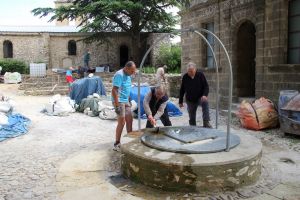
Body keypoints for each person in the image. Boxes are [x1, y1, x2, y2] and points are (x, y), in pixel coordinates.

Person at [111, 61, 136, 151]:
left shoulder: (128, 76)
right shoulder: (119, 75)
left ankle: (130, 141)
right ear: (127, 68)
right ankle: (117, 143)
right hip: (119, 101)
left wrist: (129, 100)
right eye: (132, 71)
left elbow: (127, 88)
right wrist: (117, 105)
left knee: (130, 119)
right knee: (122, 122)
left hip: (126, 101)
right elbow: (114, 90)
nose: (133, 73)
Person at [179, 62, 212, 128]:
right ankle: (192, 127)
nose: (190, 73)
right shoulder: (185, 77)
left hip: (200, 97)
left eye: (191, 71)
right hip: (190, 99)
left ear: (195, 69)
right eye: (188, 71)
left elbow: (206, 86)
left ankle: (206, 122)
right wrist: (180, 101)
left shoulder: (200, 75)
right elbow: (182, 89)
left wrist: (205, 95)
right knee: (192, 116)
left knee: (205, 102)